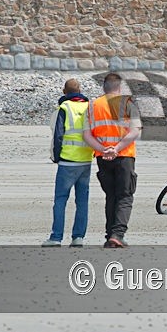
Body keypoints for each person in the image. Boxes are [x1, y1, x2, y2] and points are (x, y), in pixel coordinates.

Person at [82, 73, 142, 248]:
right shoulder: (128, 103)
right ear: (120, 87)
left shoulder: (92, 106)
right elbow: (134, 131)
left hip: (103, 157)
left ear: (104, 87)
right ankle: (118, 234)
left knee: (111, 196)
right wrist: (116, 149)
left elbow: (87, 135)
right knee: (124, 196)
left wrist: (103, 149)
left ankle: (110, 235)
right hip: (124, 156)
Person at [42, 79, 94, 247]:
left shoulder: (64, 108)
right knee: (82, 201)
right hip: (85, 160)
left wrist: (56, 157)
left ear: (64, 91)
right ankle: (78, 237)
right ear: (79, 90)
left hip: (67, 161)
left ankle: (56, 237)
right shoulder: (89, 108)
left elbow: (58, 135)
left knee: (60, 200)